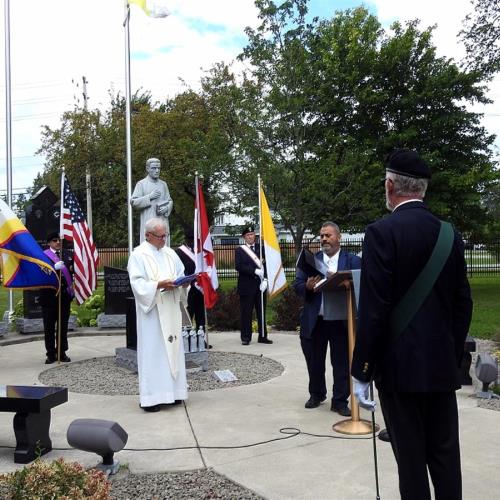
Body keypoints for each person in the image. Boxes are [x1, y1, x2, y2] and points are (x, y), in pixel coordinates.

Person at [351, 149, 473, 500]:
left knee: (411, 463)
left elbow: (373, 310)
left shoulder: (380, 232)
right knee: (446, 459)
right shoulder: (449, 234)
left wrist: (362, 370)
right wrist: (449, 355)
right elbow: (463, 304)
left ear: (390, 186)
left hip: (398, 370)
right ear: (423, 189)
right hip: (440, 368)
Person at [293, 222, 361, 415]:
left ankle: (339, 401)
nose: (324, 239)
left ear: (338, 237)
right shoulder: (310, 261)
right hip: (316, 320)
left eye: (328, 235)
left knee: (341, 363)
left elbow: (362, 284)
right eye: (322, 236)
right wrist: (307, 287)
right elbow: (297, 285)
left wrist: (344, 283)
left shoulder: (353, 261)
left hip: (341, 320)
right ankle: (316, 394)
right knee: (314, 361)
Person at [128, 217, 189, 412]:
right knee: (153, 353)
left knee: (173, 348)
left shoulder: (170, 253)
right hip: (153, 313)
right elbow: (137, 283)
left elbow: (180, 273)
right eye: (160, 236)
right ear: (148, 235)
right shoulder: (138, 255)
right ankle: (151, 398)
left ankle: (174, 393)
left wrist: (184, 283)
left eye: (165, 236)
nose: (164, 239)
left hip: (171, 308)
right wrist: (158, 285)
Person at [39, 232, 74, 364]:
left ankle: (61, 352)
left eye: (59, 240)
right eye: (55, 240)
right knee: (49, 327)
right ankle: (50, 354)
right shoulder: (43, 256)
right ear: (49, 243)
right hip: (49, 296)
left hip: (63, 297)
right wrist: (54, 268)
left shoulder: (67, 254)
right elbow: (40, 273)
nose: (58, 242)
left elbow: (72, 271)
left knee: (62, 326)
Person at [235, 226, 272, 345]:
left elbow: (267, 265)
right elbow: (239, 266)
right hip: (246, 286)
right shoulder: (240, 250)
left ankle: (263, 336)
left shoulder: (261, 249)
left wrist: (265, 279)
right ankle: (246, 337)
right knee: (246, 313)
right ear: (244, 237)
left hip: (260, 286)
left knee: (262, 312)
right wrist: (254, 271)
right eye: (248, 235)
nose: (251, 237)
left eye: (252, 234)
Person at [130, 158, 173, 244]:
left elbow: (170, 201)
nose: (157, 171)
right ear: (147, 169)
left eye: (158, 168)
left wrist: (167, 208)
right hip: (149, 225)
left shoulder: (163, 184)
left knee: (163, 248)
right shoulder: (141, 184)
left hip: (162, 222)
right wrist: (149, 197)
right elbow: (133, 202)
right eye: (154, 168)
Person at [175, 229, 205, 332]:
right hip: (187, 287)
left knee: (201, 313)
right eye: (191, 240)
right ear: (186, 240)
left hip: (200, 287)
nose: (192, 242)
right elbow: (179, 270)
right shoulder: (179, 252)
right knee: (188, 312)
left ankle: (201, 336)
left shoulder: (200, 251)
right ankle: (187, 336)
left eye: (194, 240)